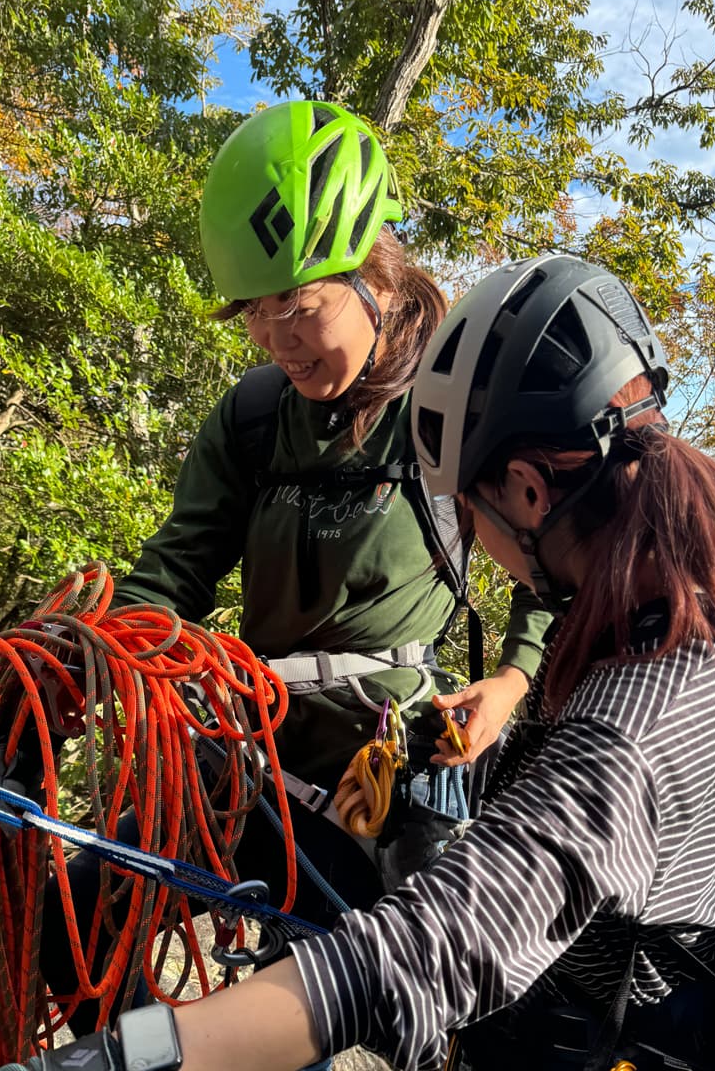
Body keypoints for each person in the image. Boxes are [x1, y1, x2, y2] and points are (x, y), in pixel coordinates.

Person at [0, 253, 715, 1071]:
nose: (483, 546)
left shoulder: (632, 726)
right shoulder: (697, 619)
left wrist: (116, 1061)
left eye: (477, 514)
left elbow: (432, 944)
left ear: (530, 490)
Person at [36, 101, 553, 1037]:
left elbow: (554, 561)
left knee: (401, 1006)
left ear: (372, 273)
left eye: (298, 307)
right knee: (70, 931)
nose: (277, 339)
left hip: (390, 774)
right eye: (255, 315)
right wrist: (78, 651)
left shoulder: (452, 402)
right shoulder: (254, 416)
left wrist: (515, 678)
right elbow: (175, 571)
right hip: (250, 756)